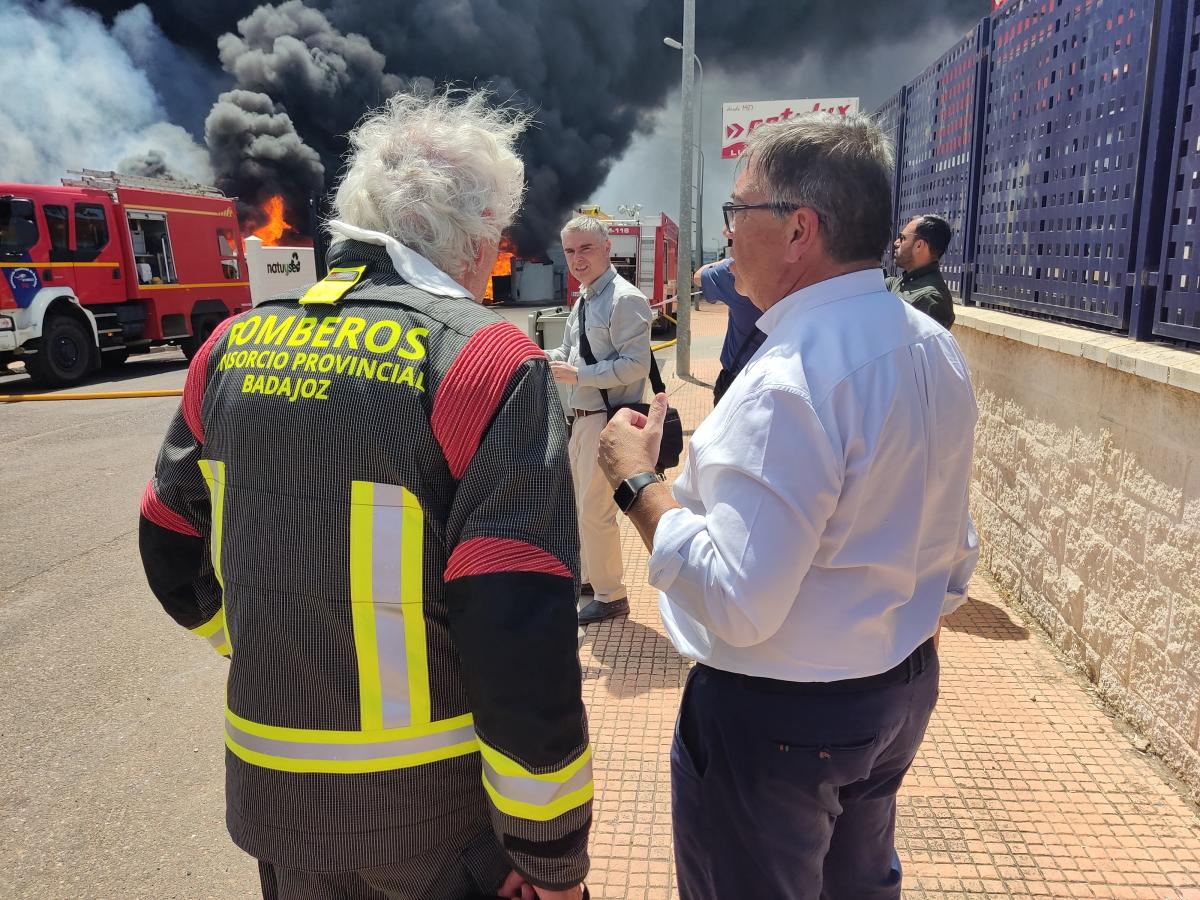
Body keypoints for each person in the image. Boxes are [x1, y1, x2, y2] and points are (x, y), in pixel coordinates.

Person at [138, 89, 590, 900]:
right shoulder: (484, 363)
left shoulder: (228, 350)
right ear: (478, 235)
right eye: (495, 242)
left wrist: (245, 639)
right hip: (432, 823)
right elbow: (517, 627)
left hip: (276, 798)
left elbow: (168, 540)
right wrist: (549, 853)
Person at [597, 114, 979, 900]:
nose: (728, 231)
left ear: (799, 228)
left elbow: (737, 601)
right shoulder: (930, 345)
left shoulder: (788, 383)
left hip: (780, 725)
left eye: (739, 211)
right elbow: (953, 547)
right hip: (896, 693)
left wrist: (638, 483)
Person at [548, 215, 653, 626]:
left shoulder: (624, 299)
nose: (577, 258)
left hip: (608, 420)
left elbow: (635, 364)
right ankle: (592, 579)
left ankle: (611, 594)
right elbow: (571, 350)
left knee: (595, 511)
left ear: (607, 248)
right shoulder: (586, 298)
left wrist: (580, 377)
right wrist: (547, 359)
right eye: (570, 250)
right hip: (583, 418)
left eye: (585, 248)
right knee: (581, 506)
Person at [693, 257, 764, 404]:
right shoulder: (806, 275)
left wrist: (725, 261)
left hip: (738, 381)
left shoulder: (738, 270)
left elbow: (698, 277)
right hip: (782, 381)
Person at [887, 213, 955, 328]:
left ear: (919, 245)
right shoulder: (904, 281)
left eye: (903, 238)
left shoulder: (932, 299)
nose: (896, 243)